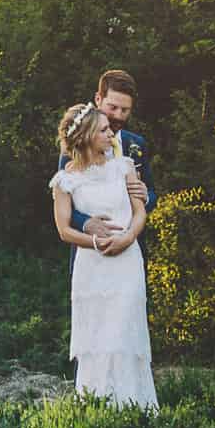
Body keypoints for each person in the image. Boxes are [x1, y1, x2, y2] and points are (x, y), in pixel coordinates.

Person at [49, 100, 157, 408]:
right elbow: (64, 230)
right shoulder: (65, 180)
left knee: (123, 335)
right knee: (97, 339)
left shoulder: (124, 167)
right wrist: (94, 243)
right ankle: (98, 410)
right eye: (104, 130)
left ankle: (136, 409)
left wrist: (127, 238)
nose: (112, 134)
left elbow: (140, 214)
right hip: (91, 266)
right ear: (85, 137)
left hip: (127, 262)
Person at [66, 69, 155, 247]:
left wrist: (147, 197)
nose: (118, 116)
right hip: (90, 249)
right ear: (98, 99)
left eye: (125, 110)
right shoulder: (75, 148)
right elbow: (63, 204)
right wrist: (85, 223)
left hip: (132, 247)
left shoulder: (136, 144)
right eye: (113, 108)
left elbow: (152, 192)